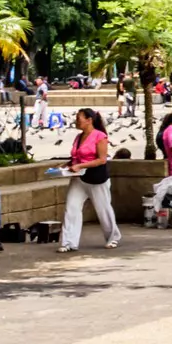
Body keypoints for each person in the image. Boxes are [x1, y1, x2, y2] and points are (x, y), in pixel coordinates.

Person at [59, 108, 120, 252]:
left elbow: (102, 159)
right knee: (71, 208)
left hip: (96, 178)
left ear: (89, 120)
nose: (76, 120)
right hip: (79, 178)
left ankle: (113, 237)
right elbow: (75, 157)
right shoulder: (78, 137)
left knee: (103, 209)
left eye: (79, 117)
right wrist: (67, 166)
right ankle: (68, 242)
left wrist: (80, 165)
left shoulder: (100, 136)